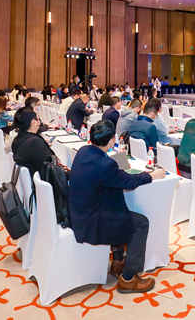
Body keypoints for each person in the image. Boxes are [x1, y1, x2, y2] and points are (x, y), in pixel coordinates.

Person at [68, 120, 164, 293]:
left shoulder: (84, 151)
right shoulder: (105, 164)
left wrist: (116, 165)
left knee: (118, 209)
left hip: (80, 211)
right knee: (140, 223)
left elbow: (106, 175)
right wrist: (152, 175)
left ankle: (118, 260)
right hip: (92, 221)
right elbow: (129, 182)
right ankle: (128, 278)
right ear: (112, 140)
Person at [11, 108, 55, 180]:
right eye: (38, 119)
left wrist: (43, 146)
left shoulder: (17, 139)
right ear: (33, 122)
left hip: (30, 178)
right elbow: (49, 170)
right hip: (42, 180)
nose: (39, 123)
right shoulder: (35, 142)